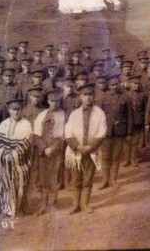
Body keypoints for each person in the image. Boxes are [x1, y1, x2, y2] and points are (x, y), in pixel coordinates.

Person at [64, 83, 106, 215]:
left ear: (93, 96)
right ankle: (75, 205)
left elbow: (102, 133)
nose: (88, 97)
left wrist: (90, 147)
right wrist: (77, 146)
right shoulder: (74, 114)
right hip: (75, 153)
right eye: (85, 95)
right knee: (76, 180)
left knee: (88, 180)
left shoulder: (99, 113)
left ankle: (85, 204)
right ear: (80, 97)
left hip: (91, 152)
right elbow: (68, 133)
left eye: (90, 95)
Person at [0, 98, 34, 219]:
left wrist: (14, 154)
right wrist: (4, 154)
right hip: (5, 160)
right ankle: (8, 208)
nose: (16, 112)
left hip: (20, 161)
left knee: (21, 183)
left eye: (18, 110)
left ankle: (21, 207)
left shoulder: (26, 124)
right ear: (9, 110)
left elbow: (26, 141)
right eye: (13, 110)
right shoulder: (3, 123)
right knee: (6, 183)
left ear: (21, 110)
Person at [32, 89, 65, 215]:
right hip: (43, 152)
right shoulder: (42, 115)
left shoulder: (63, 115)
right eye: (51, 101)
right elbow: (35, 135)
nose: (54, 103)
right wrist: (44, 148)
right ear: (48, 101)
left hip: (56, 152)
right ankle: (43, 205)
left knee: (54, 178)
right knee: (43, 179)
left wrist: (53, 148)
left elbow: (63, 136)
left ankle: (53, 204)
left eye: (56, 101)